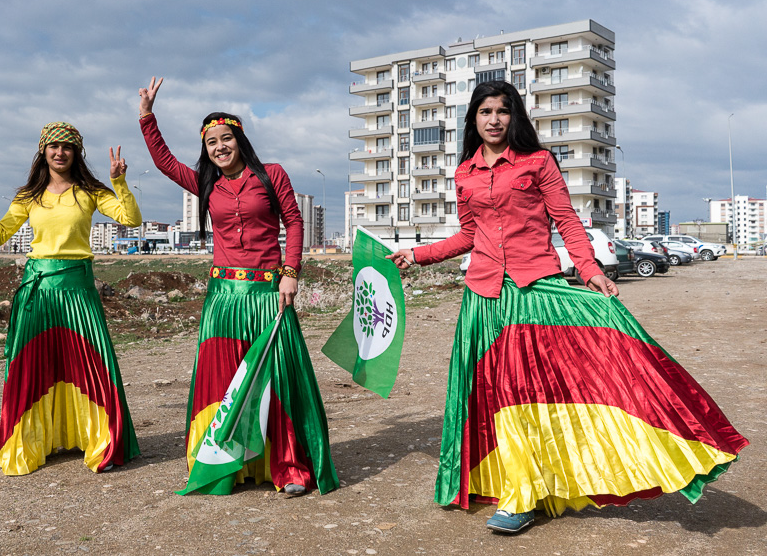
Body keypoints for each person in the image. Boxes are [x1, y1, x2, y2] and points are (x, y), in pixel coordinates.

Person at [387, 81, 748, 533]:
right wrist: (416, 255)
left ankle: (524, 494)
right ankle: (512, 482)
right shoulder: (465, 172)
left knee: (526, 396)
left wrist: (591, 270)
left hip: (534, 293)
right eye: (485, 112)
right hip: (481, 300)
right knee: (495, 398)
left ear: (514, 117)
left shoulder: (538, 162)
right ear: (473, 120)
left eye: (502, 111)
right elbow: (468, 234)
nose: (494, 119)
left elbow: (567, 221)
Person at [137, 77, 338, 496]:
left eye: (226, 138)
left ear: (240, 141)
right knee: (224, 380)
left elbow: (294, 222)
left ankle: (285, 464)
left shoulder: (271, 175)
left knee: (274, 377)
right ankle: (227, 465)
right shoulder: (206, 184)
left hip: (267, 293)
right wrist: (147, 116)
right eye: (211, 142)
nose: (219, 147)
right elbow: (164, 162)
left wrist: (291, 271)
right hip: (223, 298)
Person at [0, 122, 143, 476]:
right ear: (43, 151)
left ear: (76, 153)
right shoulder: (28, 196)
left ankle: (100, 438)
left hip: (79, 290)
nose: (60, 152)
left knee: (91, 366)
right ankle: (33, 441)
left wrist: (119, 182)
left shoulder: (91, 191)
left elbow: (131, 218)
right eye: (54, 146)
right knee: (34, 368)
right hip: (39, 290)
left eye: (68, 147)